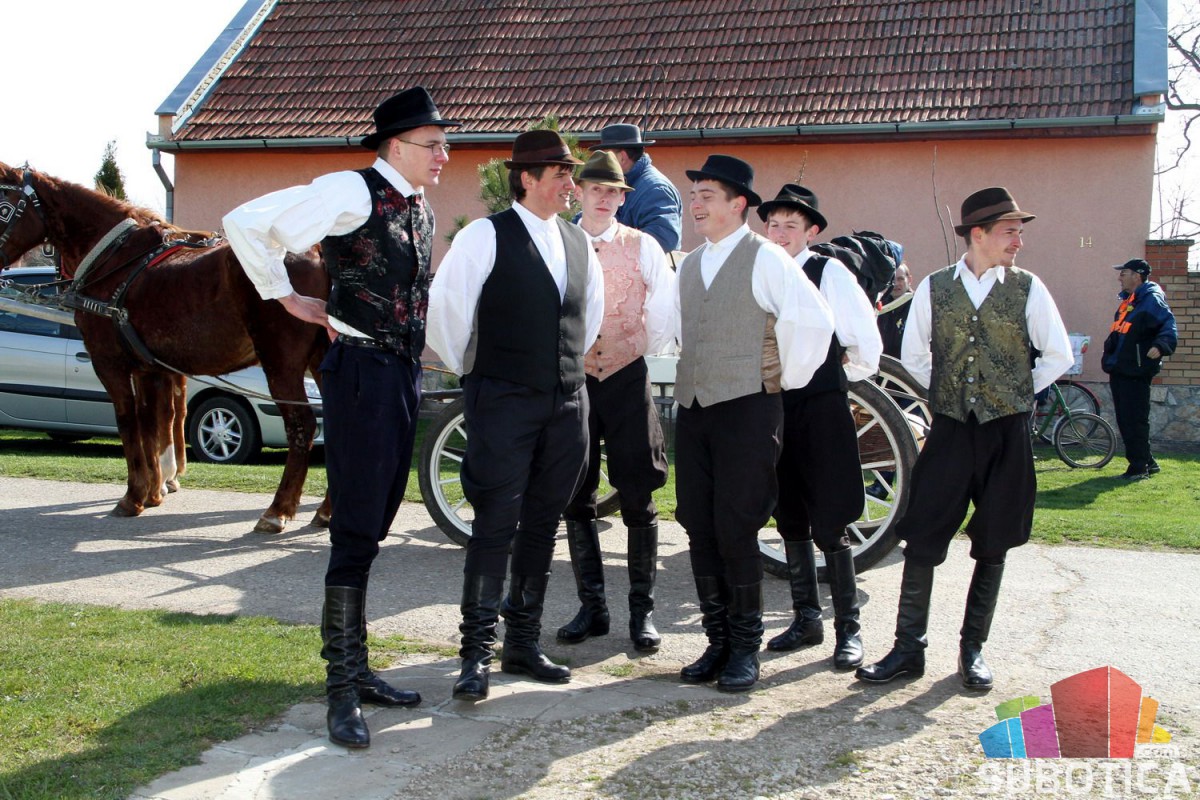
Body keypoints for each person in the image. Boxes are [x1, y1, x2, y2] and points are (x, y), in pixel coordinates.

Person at [223, 86, 458, 748]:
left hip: (401, 374)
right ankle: (340, 688)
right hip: (361, 374)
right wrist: (285, 295)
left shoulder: (418, 205)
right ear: (396, 146)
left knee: (376, 519)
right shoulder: (351, 191)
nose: (444, 155)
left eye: (445, 144)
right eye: (434, 144)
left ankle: (357, 670)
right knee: (355, 526)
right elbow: (245, 221)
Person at [855, 187, 1073, 692]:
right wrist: (946, 394)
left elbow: (1057, 355)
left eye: (1019, 231)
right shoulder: (935, 287)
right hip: (951, 429)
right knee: (923, 534)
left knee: (994, 538)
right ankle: (908, 649)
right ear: (979, 234)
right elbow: (914, 357)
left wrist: (1015, 393)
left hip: (1006, 432)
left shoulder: (1028, 287)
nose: (1018, 240)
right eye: (1010, 231)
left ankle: (972, 650)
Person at [427, 130, 605, 703]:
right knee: (495, 523)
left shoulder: (578, 242)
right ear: (527, 179)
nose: (571, 184)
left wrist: (558, 369)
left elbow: (589, 317)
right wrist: (483, 372)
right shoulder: (485, 235)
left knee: (544, 521)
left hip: (566, 400)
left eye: (571, 173)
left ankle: (522, 643)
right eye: (560, 173)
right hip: (503, 397)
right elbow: (448, 313)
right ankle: (475, 653)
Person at [674, 156, 834, 693]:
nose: (696, 205)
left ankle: (745, 648)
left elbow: (813, 322)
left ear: (738, 204)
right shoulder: (690, 265)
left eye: (707, 196)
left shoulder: (766, 257)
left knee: (736, 526)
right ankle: (716, 641)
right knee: (698, 523)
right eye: (694, 196)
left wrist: (779, 377)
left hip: (747, 407)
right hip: (695, 408)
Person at [758, 184, 883, 670]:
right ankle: (806, 619)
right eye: (773, 224)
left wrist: (832, 375)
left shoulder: (828, 271)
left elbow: (864, 343)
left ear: (810, 231)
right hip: (774, 406)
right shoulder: (760, 271)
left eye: (790, 225)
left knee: (830, 517)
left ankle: (849, 629)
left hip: (821, 406)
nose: (780, 233)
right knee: (789, 514)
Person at [556, 151, 676, 653]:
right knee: (576, 493)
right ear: (580, 192)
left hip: (627, 377)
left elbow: (664, 310)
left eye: (614, 192)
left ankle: (641, 612)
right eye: (596, 190)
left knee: (638, 492)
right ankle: (593, 608)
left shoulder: (643, 245)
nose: (605, 199)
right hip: (574, 380)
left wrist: (636, 348)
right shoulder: (558, 241)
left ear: (623, 199)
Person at [1101, 258, 1177, 480]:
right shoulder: (1131, 300)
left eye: (1123, 273)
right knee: (1127, 419)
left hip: (1135, 370)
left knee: (1134, 419)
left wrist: (1161, 346)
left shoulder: (1151, 299)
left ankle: (1138, 468)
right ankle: (1147, 462)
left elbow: (1168, 325)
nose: (1119, 277)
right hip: (1121, 368)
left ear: (1137, 275)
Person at [589, 124, 683, 253]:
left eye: (607, 157)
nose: (602, 163)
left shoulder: (655, 189)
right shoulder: (620, 184)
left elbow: (662, 240)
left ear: (622, 158)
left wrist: (606, 248)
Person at [878, 261, 914, 359]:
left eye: (900, 279)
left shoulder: (917, 306)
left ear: (909, 280)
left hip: (907, 364)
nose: (896, 284)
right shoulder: (880, 306)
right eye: (892, 280)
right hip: (883, 364)